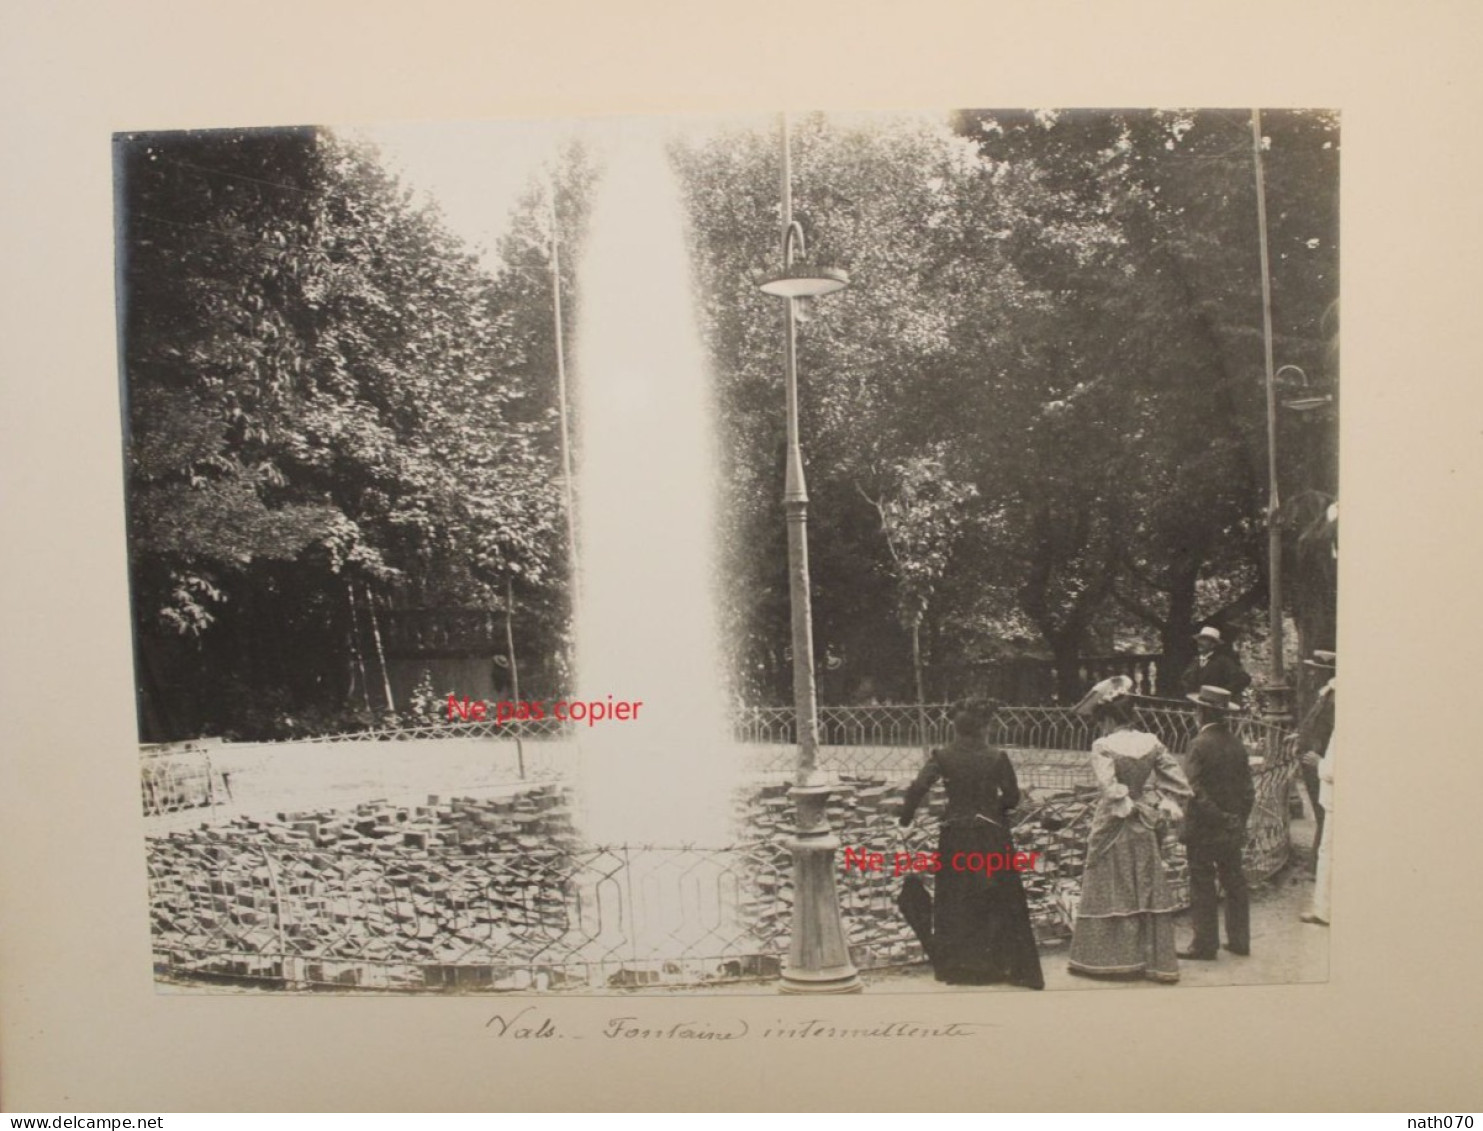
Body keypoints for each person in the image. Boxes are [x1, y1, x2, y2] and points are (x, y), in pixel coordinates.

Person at [898, 700, 1044, 988]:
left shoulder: (943, 755)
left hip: (956, 836)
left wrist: (905, 818)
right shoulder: (997, 756)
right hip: (992, 835)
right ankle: (998, 963)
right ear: (983, 727)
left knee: (956, 899)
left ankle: (961, 966)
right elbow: (1013, 797)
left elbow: (917, 788)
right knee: (998, 897)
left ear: (955, 728)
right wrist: (995, 808)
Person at [1066, 676, 1193, 982]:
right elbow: (1180, 783)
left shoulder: (1104, 745)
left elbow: (1108, 787)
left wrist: (1124, 801)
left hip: (1114, 820)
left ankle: (1109, 959)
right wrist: (1159, 800)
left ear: (1108, 717)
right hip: (1144, 819)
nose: (1100, 726)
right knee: (1144, 882)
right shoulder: (1151, 742)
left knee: (1109, 882)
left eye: (1101, 720)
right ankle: (1151, 961)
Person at [1178, 685, 1256, 960]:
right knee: (1234, 880)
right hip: (1231, 827)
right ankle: (1239, 940)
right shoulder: (1236, 744)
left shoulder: (1198, 744)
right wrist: (1236, 819)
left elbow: (1194, 790)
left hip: (1204, 827)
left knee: (1202, 882)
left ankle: (1205, 944)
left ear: (1201, 712)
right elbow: (1249, 790)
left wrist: (1218, 817)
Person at [1293, 650, 1336, 871]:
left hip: (1319, 764)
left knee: (1322, 812)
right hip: (1311, 761)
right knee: (1320, 811)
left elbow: (1334, 733)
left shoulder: (1335, 697)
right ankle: (1316, 862)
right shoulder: (1325, 693)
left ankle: (1317, 865)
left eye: (1315, 670)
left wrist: (1322, 759)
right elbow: (1313, 724)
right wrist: (1299, 737)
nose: (1311, 674)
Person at [1301, 670, 1336, 926]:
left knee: (1329, 850)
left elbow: (1333, 769)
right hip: (1330, 794)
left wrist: (1320, 763)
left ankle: (1324, 910)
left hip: (1334, 795)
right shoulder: (1325, 696)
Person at [1180, 626, 1252, 704]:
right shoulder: (1195, 661)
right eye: (1200, 639)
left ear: (1213, 644)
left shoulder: (1222, 661)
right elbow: (1185, 681)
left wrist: (1222, 694)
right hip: (1194, 705)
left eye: (1204, 640)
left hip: (1214, 708)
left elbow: (1243, 679)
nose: (1200, 643)